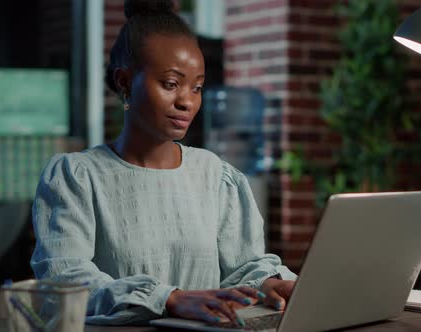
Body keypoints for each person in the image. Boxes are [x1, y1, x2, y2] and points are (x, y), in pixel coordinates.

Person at [30, 0, 296, 327]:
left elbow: (245, 267)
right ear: (125, 82)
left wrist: (272, 284)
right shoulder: (77, 177)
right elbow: (65, 282)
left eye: (196, 87)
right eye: (171, 84)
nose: (186, 101)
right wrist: (169, 299)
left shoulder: (216, 175)